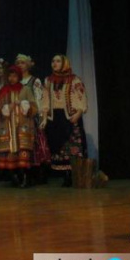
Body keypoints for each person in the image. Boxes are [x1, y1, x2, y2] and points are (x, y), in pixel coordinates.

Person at [40, 54, 88, 187]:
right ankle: (64, 175)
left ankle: (73, 175)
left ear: (64, 63)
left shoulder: (74, 80)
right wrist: (44, 117)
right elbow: (45, 100)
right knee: (57, 146)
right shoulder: (48, 80)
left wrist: (79, 112)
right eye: (53, 61)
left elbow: (81, 96)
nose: (54, 63)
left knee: (72, 146)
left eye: (58, 61)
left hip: (70, 116)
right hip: (54, 117)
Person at [0, 66, 37, 187]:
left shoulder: (25, 89)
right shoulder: (3, 90)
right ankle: (15, 177)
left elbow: (34, 107)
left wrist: (24, 105)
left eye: (14, 76)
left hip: (22, 125)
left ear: (19, 77)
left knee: (23, 151)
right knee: (10, 153)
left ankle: (25, 178)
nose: (12, 78)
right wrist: (6, 108)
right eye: (10, 76)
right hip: (8, 126)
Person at [15, 53, 50, 184]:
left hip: (31, 117)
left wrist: (42, 117)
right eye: (17, 63)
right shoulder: (14, 80)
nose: (20, 65)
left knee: (35, 145)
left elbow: (39, 99)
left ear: (28, 65)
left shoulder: (34, 81)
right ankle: (23, 174)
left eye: (22, 63)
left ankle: (38, 175)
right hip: (18, 119)